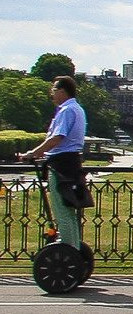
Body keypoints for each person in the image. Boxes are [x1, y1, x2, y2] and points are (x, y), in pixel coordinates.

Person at [17, 75, 89, 248]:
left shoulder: (66, 111)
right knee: (69, 212)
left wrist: (33, 153)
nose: (52, 94)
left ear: (62, 91)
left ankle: (68, 251)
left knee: (62, 212)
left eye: (54, 90)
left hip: (61, 165)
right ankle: (74, 249)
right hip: (71, 162)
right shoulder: (77, 108)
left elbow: (57, 138)